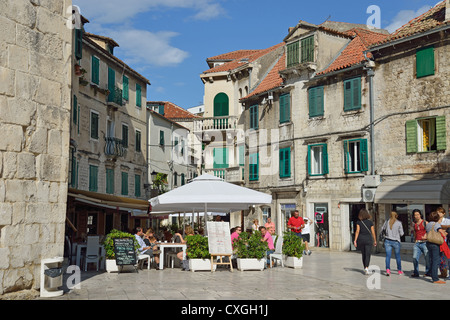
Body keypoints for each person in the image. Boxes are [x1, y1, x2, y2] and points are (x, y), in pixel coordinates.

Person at [353, 209, 377, 275]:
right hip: (368, 239)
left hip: (361, 239)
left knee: (363, 254)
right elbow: (373, 232)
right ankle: (366, 267)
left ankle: (365, 267)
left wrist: (355, 240)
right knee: (368, 254)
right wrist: (375, 240)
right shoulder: (370, 222)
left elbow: (357, 231)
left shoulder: (359, 222)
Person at [426, 211, 447, 284]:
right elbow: (441, 232)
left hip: (429, 243)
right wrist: (445, 233)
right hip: (435, 244)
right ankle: (435, 279)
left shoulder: (428, 224)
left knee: (432, 260)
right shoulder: (436, 224)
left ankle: (432, 274)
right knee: (436, 261)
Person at [382, 211, 404, 276]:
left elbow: (382, 229)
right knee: (397, 256)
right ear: (396, 216)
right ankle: (399, 270)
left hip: (387, 240)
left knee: (388, 256)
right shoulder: (399, 223)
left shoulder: (387, 222)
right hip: (396, 241)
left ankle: (388, 270)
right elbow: (402, 233)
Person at [411, 209, 429, 277]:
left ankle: (428, 272)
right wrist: (415, 240)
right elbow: (415, 232)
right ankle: (416, 272)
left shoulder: (425, 223)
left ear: (420, 215)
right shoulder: (414, 224)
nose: (416, 216)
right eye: (415, 215)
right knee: (415, 258)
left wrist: (426, 236)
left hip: (424, 243)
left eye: (418, 214)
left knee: (427, 258)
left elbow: (429, 231)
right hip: (417, 243)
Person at [437, 207, 450, 279]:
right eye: (438, 212)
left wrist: (441, 227)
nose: (439, 213)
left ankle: (445, 271)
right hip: (438, 239)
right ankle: (443, 272)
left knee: (447, 256)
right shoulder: (436, 220)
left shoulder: (447, 220)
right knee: (440, 257)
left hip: (445, 240)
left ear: (444, 213)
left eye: (440, 212)